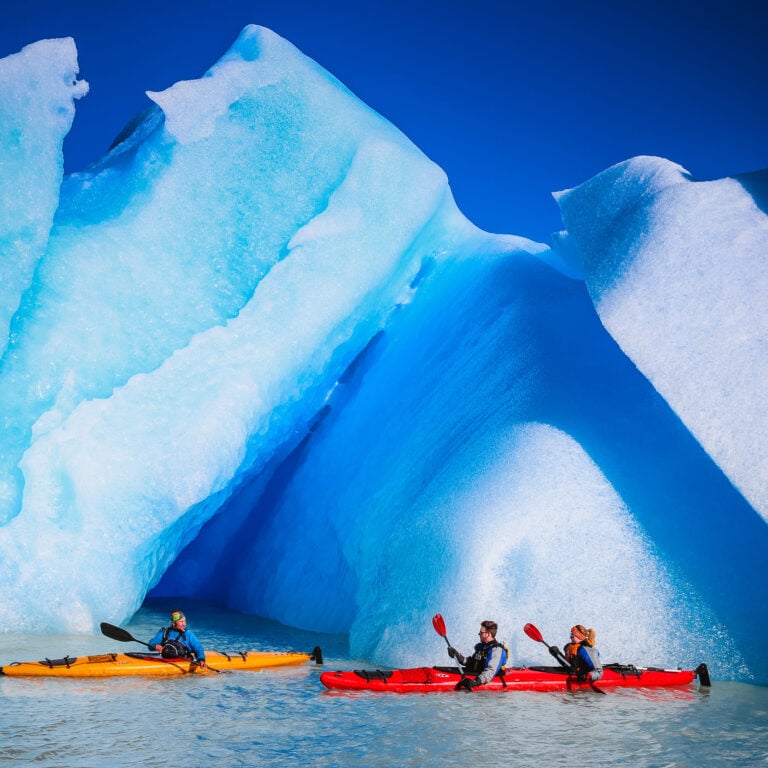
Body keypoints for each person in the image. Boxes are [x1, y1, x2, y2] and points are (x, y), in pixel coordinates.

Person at [447, 620, 508, 691]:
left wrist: (475, 682)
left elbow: (490, 671)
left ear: (488, 634)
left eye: (481, 632)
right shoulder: (482, 647)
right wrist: (457, 656)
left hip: (487, 679)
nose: (479, 634)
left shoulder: (497, 650)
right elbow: (472, 663)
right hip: (476, 675)